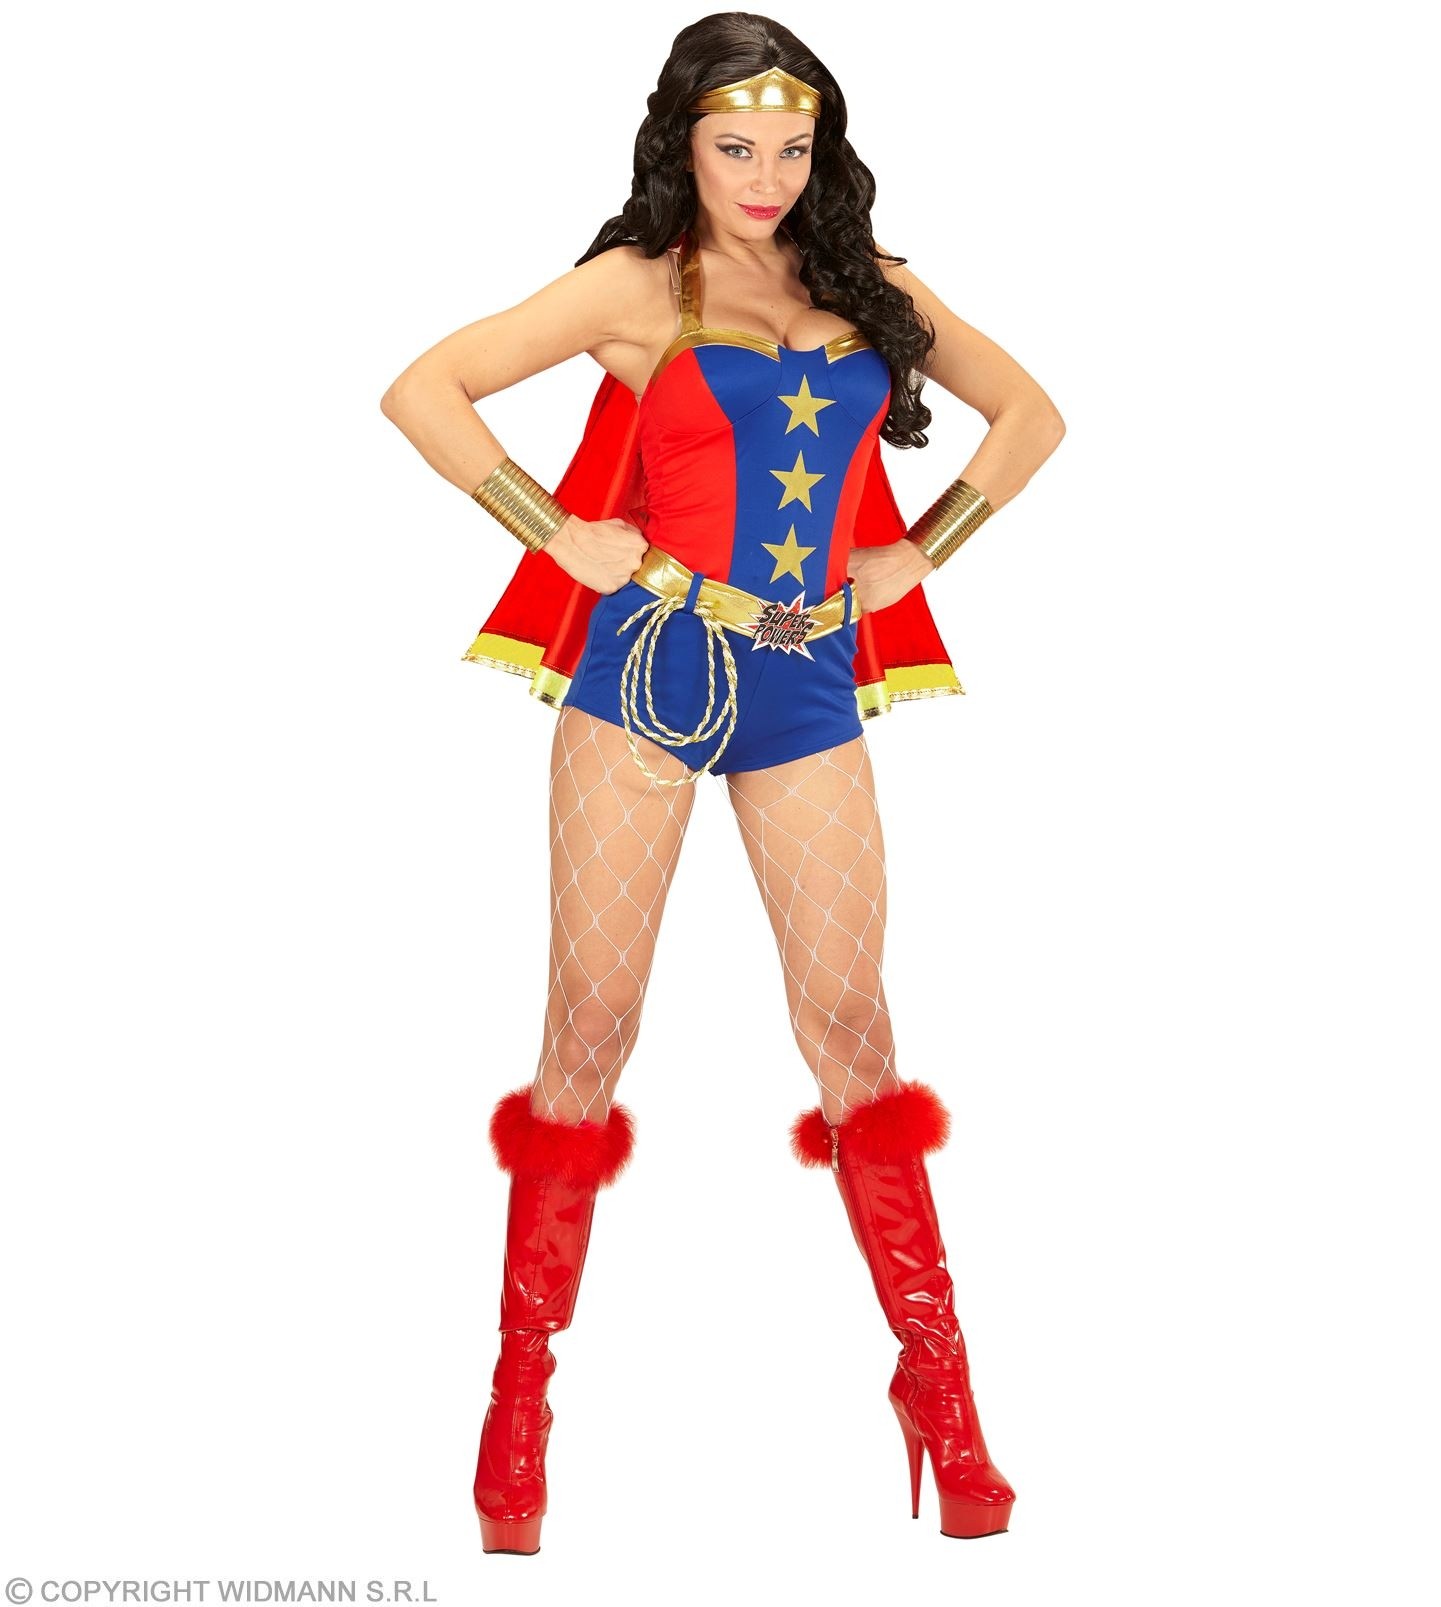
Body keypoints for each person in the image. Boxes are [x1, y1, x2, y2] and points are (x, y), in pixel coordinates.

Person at [380, 12, 1064, 1555]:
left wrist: (919, 551)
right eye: (734, 145)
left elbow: (1030, 416)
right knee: (591, 1022)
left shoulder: (866, 284)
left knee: (851, 1023)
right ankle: (516, 1403)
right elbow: (424, 389)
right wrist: (554, 533)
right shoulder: (636, 286)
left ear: (824, 152)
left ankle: (939, 1392)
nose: (764, 175)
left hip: (807, 682)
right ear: (680, 142)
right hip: (646, 673)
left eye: (791, 148)